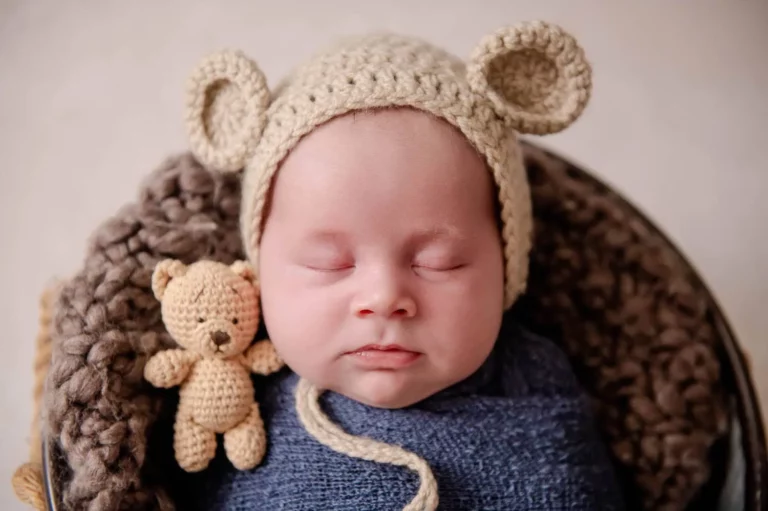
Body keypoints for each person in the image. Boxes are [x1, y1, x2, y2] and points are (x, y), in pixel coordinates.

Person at [179, 19, 626, 510]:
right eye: (330, 263)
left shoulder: (537, 387)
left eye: (440, 262)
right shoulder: (234, 405)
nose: (384, 297)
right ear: (259, 272)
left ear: (507, 268)